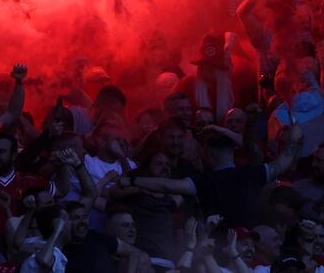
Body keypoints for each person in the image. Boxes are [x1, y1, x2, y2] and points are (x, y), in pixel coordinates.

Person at [118, 125, 304, 228]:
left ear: (209, 155)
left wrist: (131, 180)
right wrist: (295, 138)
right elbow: (283, 163)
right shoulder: (253, 174)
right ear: (231, 152)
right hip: (248, 245)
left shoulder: (205, 181)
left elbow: (168, 186)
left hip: (219, 252)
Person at [42, 201, 150, 273]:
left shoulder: (97, 237)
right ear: (65, 222)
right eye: (76, 218)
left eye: (84, 217)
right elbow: (43, 261)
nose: (82, 222)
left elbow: (134, 252)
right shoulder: (59, 247)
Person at [178, 32, 237, 122]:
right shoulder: (188, 84)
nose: (206, 69)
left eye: (212, 66)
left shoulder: (231, 87)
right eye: (203, 65)